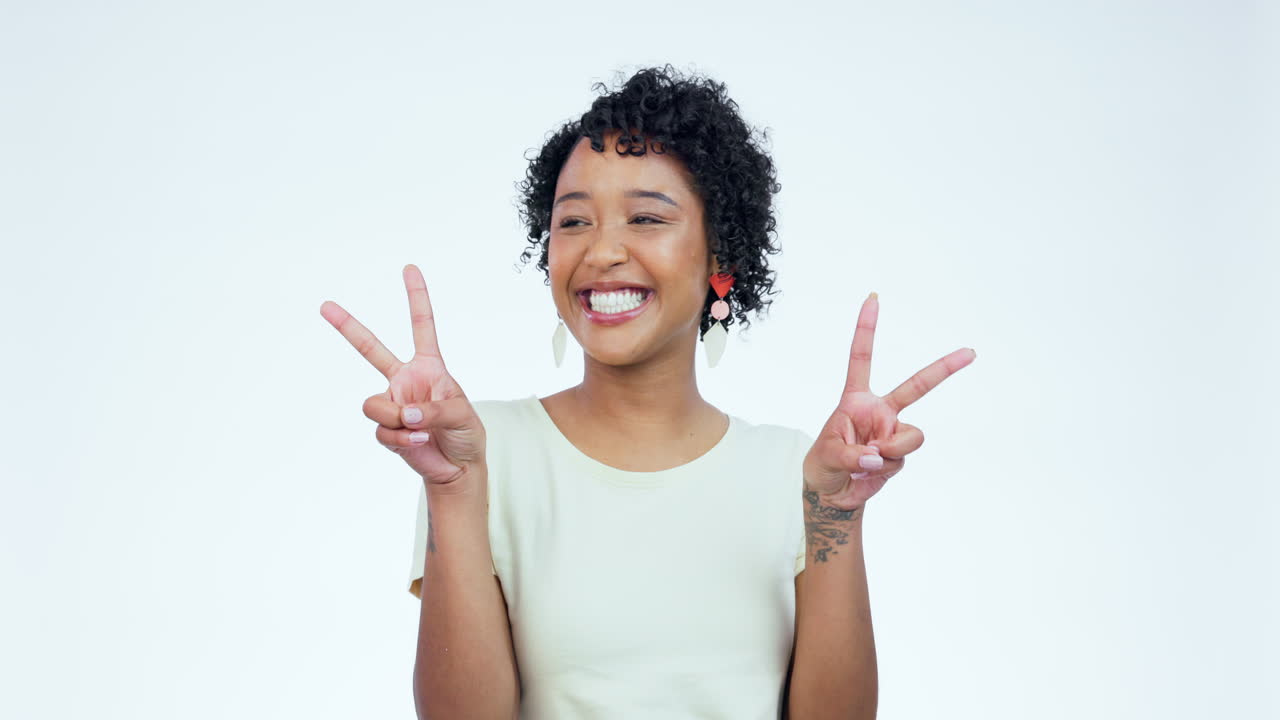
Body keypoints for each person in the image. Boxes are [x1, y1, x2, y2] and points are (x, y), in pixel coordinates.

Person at [320, 64, 975, 720]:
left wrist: (835, 510)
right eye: (574, 222)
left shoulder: (796, 473)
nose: (602, 251)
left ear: (720, 257)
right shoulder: (479, 453)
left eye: (644, 218)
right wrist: (454, 492)